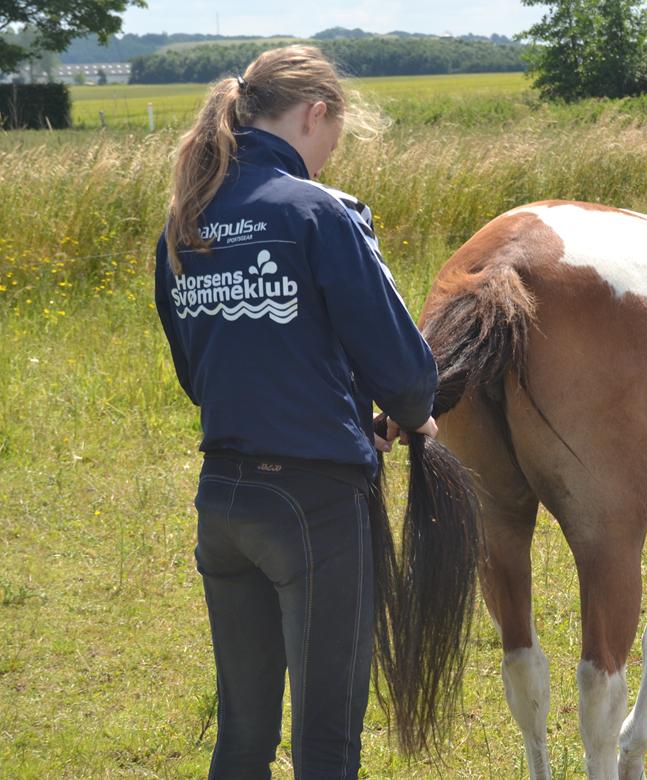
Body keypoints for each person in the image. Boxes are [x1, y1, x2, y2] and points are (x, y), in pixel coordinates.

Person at [154, 45, 438, 779]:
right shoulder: (316, 212)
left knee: (242, 739)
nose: (327, 157)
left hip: (222, 502)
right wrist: (410, 414)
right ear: (316, 113)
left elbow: (200, 376)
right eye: (332, 137)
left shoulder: (184, 221)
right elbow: (405, 370)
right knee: (327, 744)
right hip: (313, 508)